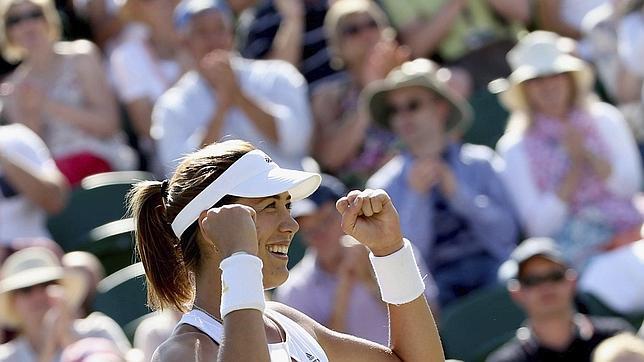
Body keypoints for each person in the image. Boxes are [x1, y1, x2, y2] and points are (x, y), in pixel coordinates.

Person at [127, 139, 443, 361]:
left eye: (287, 205)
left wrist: (390, 252)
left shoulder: (286, 322)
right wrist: (239, 260)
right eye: (269, 206)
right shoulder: (180, 354)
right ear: (211, 226)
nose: (291, 224)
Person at [365, 58, 519, 307]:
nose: (403, 116)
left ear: (440, 108)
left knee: (519, 277)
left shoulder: (481, 161)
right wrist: (417, 197)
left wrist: (459, 194)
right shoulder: (382, 185)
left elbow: (506, 235)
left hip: (494, 267)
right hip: (436, 285)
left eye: (413, 105)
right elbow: (406, 262)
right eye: (394, 110)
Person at [492, 30, 643, 271]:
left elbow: (630, 187)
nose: (548, 86)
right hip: (575, 258)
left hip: (632, 230)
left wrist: (588, 155)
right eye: (536, 81)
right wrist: (573, 168)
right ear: (524, 90)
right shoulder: (514, 148)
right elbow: (540, 227)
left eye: (556, 76)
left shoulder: (605, 119)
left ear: (569, 80)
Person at [274, 174, 439, 345]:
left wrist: (371, 280)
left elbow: (432, 321)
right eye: (309, 229)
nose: (319, 235)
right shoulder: (294, 290)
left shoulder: (394, 252)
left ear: (348, 216)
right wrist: (344, 289)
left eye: (326, 221)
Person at [152, 0, 312, 175]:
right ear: (185, 43)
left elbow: (297, 142)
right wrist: (222, 106)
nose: (213, 40)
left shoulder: (276, 75)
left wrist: (238, 95)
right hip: (219, 202)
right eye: (201, 32)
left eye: (220, 29)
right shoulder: (172, 104)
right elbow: (180, 174)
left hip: (290, 193)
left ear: (232, 33)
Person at [0, 0, 136, 186]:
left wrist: (47, 105)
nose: (26, 25)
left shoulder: (81, 56)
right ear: (8, 32)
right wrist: (31, 112)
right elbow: (32, 154)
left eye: (34, 15)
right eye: (15, 20)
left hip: (102, 161)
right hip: (55, 179)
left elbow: (109, 124)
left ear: (48, 19)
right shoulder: (12, 89)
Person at [309, 0, 408, 188]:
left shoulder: (413, 77)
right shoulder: (329, 96)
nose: (366, 34)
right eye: (352, 30)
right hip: (360, 198)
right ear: (337, 46)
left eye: (372, 24)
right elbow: (330, 158)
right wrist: (371, 91)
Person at [487, 237, 635, 362]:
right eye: (532, 280)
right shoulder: (506, 360)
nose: (546, 286)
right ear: (516, 293)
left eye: (555, 276)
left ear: (573, 281)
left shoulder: (615, 336)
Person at [0, 247, 132, 361]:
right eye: (26, 289)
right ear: (12, 301)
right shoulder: (6, 357)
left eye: (47, 284)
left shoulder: (99, 328)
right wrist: (48, 347)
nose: (38, 295)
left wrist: (67, 338)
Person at [109, 0, 189, 174]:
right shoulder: (126, 56)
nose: (164, 3)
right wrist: (186, 71)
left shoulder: (208, 35)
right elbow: (148, 128)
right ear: (136, 8)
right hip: (174, 165)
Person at [238, 0, 339, 91]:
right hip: (308, 105)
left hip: (350, 95)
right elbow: (274, 86)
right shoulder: (257, 22)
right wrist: (292, 19)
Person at [0, 123, 68, 251]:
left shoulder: (16, 137)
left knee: (82, 266)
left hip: (34, 252)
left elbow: (55, 201)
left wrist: (4, 157)